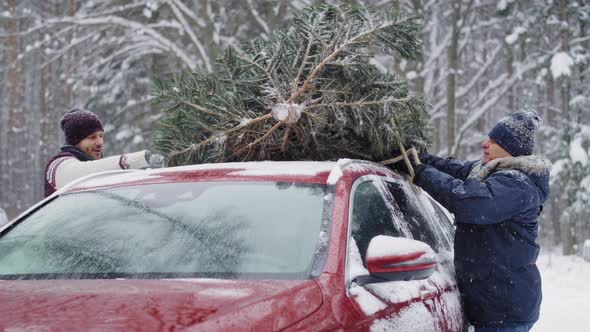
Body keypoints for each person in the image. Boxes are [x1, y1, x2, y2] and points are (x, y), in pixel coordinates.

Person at [408, 110, 551, 332]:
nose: (485, 144)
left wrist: (420, 172)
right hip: (494, 304)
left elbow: (469, 202)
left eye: (494, 141)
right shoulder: (490, 171)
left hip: (505, 310)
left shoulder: (517, 184)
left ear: (511, 151)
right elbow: (456, 170)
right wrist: (419, 158)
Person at [44, 108, 166, 197]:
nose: (100, 142)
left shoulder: (100, 170)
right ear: (75, 141)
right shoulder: (57, 167)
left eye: (101, 136)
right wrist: (139, 159)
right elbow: (86, 171)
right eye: (92, 137)